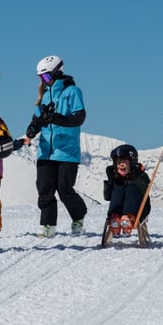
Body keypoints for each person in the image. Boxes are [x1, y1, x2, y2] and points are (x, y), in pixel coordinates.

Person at [23, 54, 88, 237]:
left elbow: (79, 118)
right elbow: (36, 119)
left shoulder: (72, 92)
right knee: (44, 188)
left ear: (57, 73)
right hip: (45, 151)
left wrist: (57, 118)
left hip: (66, 151)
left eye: (46, 77)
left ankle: (78, 215)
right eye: (41, 78)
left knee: (64, 189)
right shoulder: (44, 97)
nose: (44, 81)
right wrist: (32, 130)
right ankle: (47, 225)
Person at [103, 144, 151, 240]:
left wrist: (135, 177)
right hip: (119, 211)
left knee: (131, 188)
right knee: (118, 188)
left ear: (132, 163)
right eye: (118, 162)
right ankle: (115, 219)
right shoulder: (116, 179)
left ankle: (128, 218)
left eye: (124, 162)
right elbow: (107, 197)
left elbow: (144, 191)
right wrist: (110, 181)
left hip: (139, 210)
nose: (121, 164)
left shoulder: (139, 175)